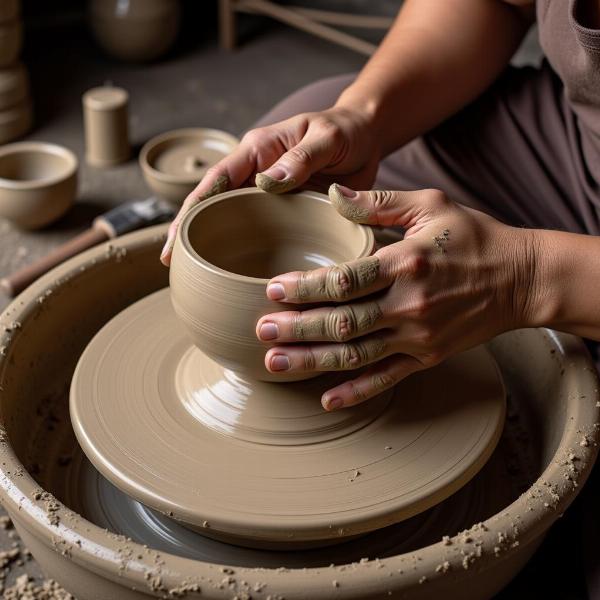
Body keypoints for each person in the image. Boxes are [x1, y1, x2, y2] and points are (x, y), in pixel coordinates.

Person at [161, 0, 600, 412]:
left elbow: (523, 273)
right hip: (580, 139)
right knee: (297, 162)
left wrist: (523, 277)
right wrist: (361, 116)